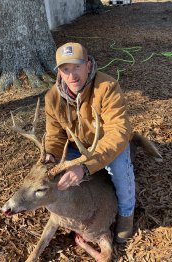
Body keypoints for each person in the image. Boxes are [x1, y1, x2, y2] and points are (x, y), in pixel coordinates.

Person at [44, 42, 134, 243]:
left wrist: (85, 167)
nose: (72, 75)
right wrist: (51, 154)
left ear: (88, 64)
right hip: (76, 148)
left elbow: (117, 131)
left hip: (108, 145)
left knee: (120, 170)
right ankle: (70, 212)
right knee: (54, 173)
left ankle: (127, 213)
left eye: (77, 67)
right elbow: (55, 136)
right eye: (65, 69)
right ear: (59, 72)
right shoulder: (52, 97)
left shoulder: (107, 87)